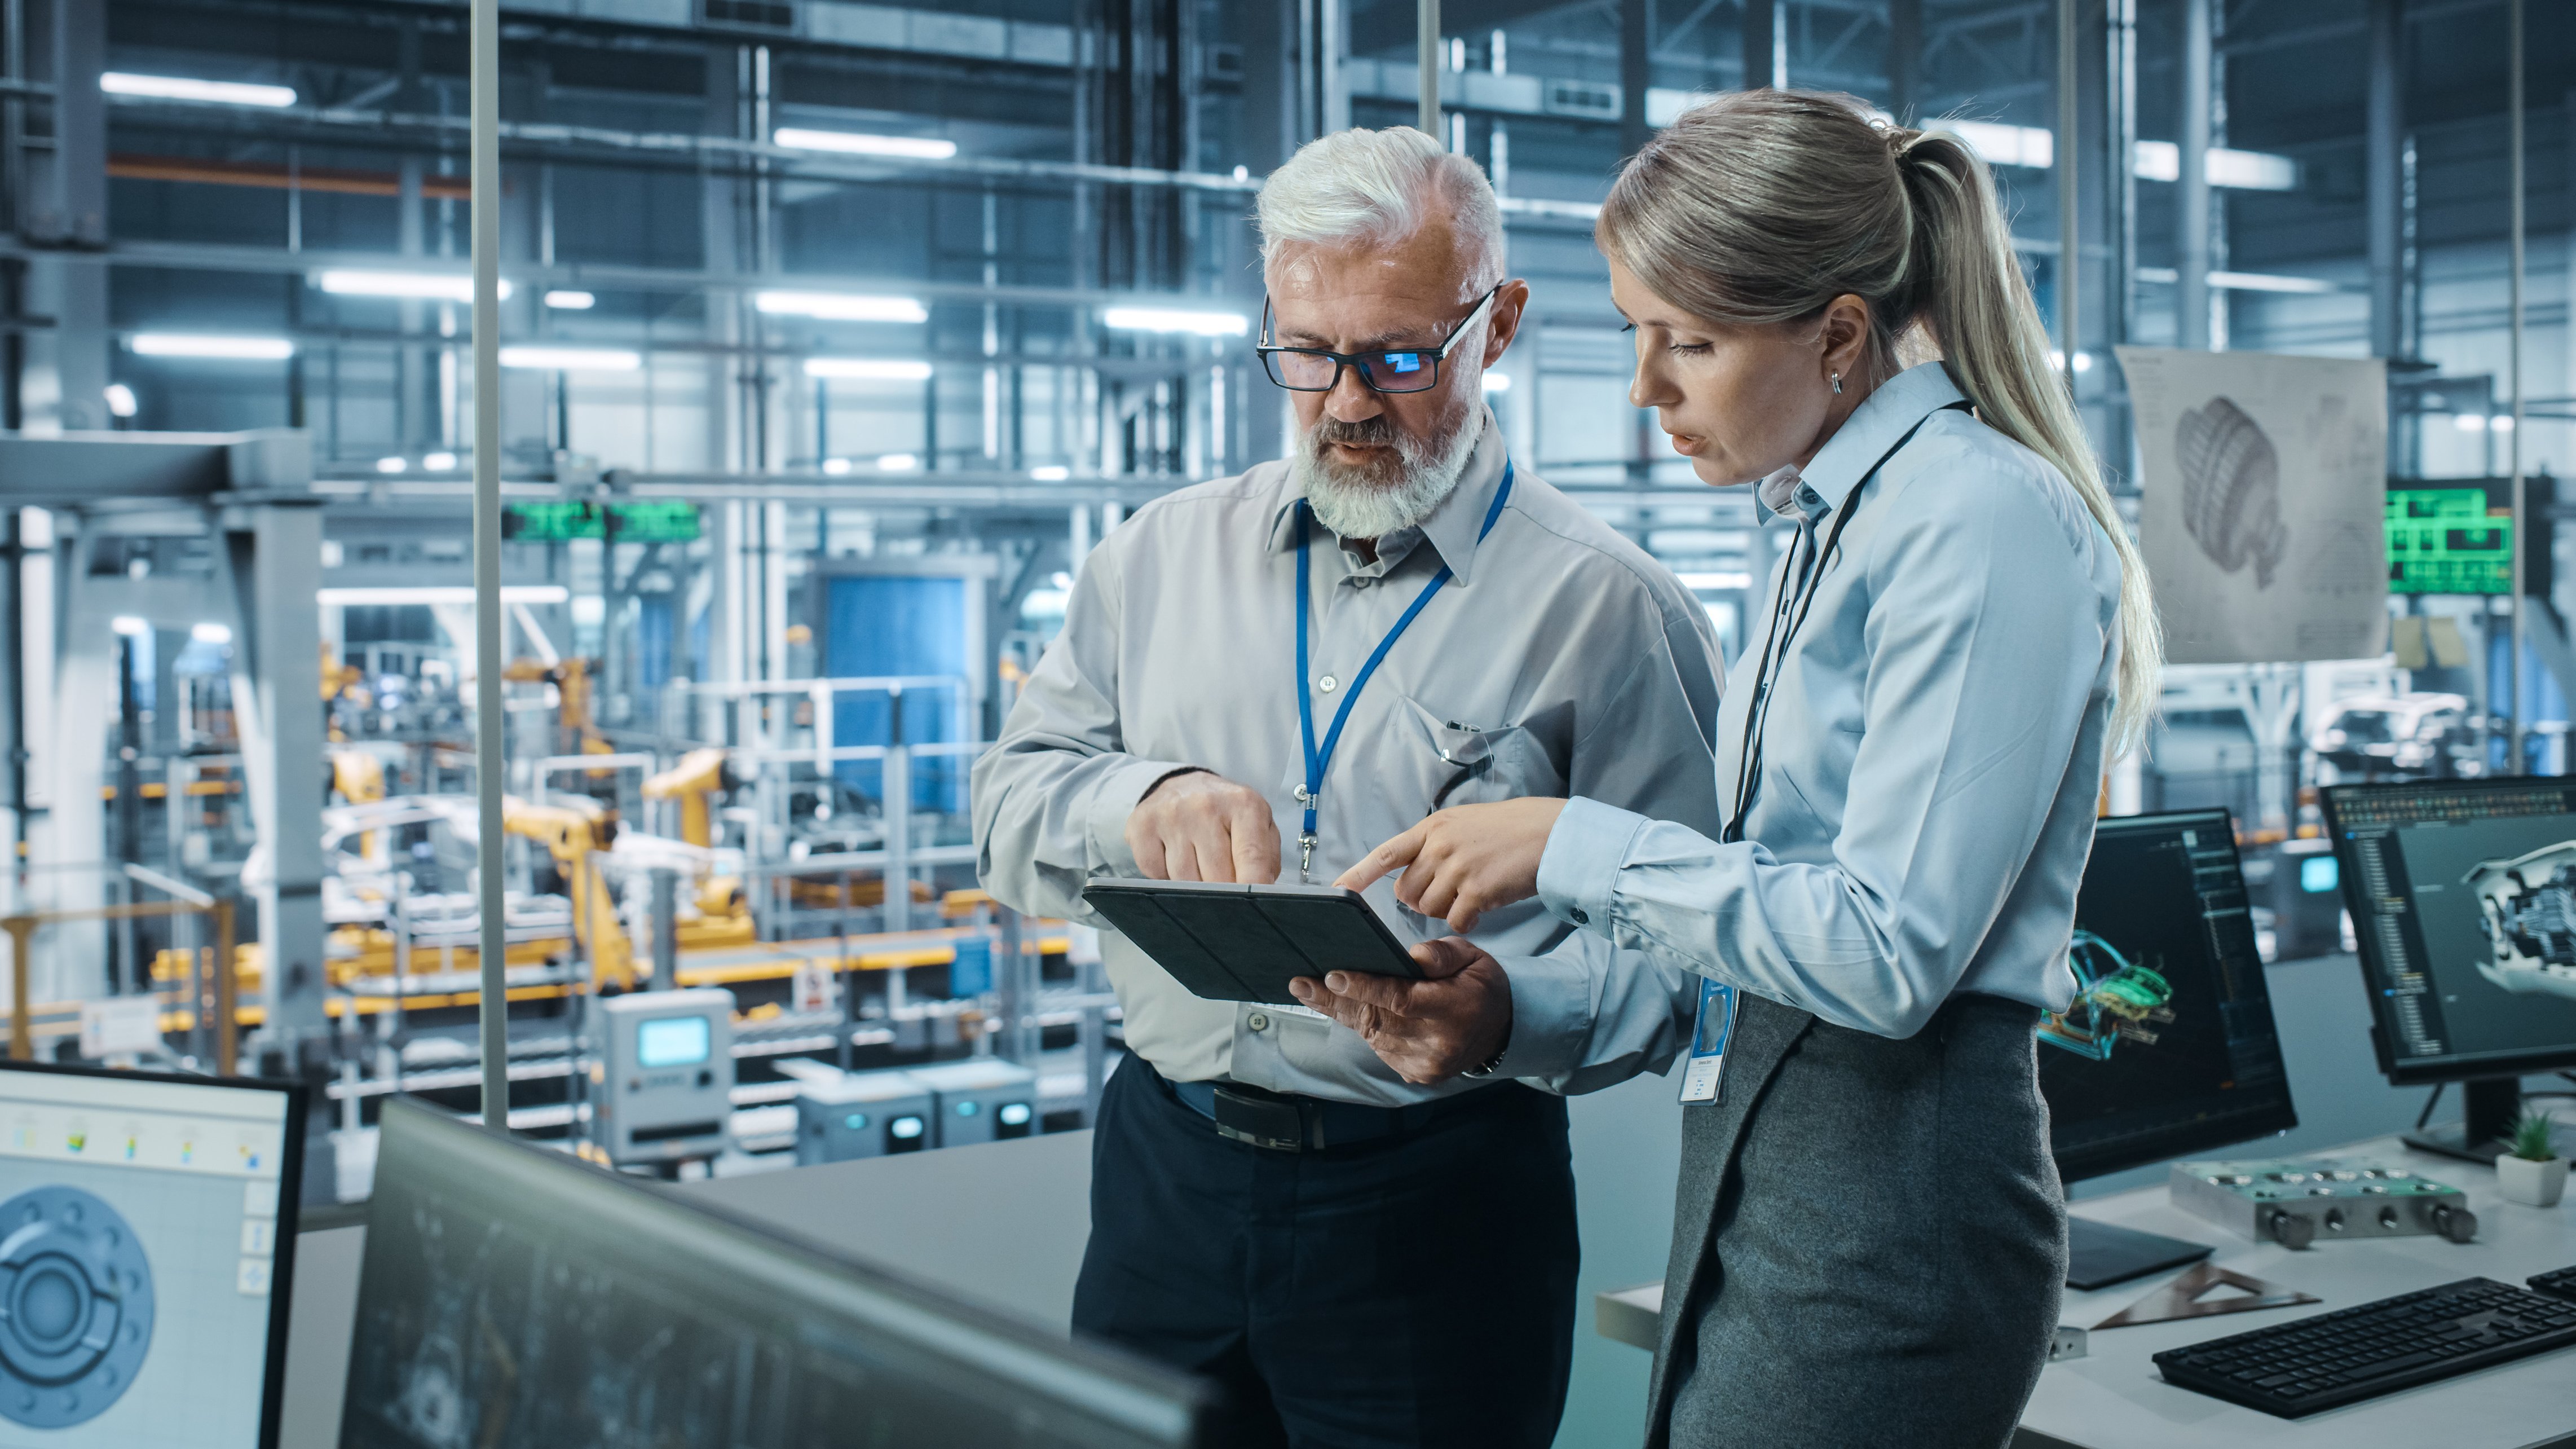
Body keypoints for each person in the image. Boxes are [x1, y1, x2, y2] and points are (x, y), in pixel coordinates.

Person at [1324, 90, 2162, 1448]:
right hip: (1779, 1168)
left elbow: (1889, 954)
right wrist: (1506, 1016)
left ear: (1837, 333)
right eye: (1635, 336)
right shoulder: (1827, 521)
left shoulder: (1976, 518)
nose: (1648, 390)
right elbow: (1767, 922)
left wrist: (1569, 844)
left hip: (1897, 1191)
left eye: (1691, 344)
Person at [969, 125, 1724, 1448]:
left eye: (1396, 356)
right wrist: (1135, 804)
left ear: (1497, 327)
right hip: (1164, 1179)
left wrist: (1510, 1011)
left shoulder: (1610, 612)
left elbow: (1696, 949)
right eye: (1308, 355)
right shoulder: (1151, 561)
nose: (1348, 401)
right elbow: (1004, 802)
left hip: (1437, 1208)